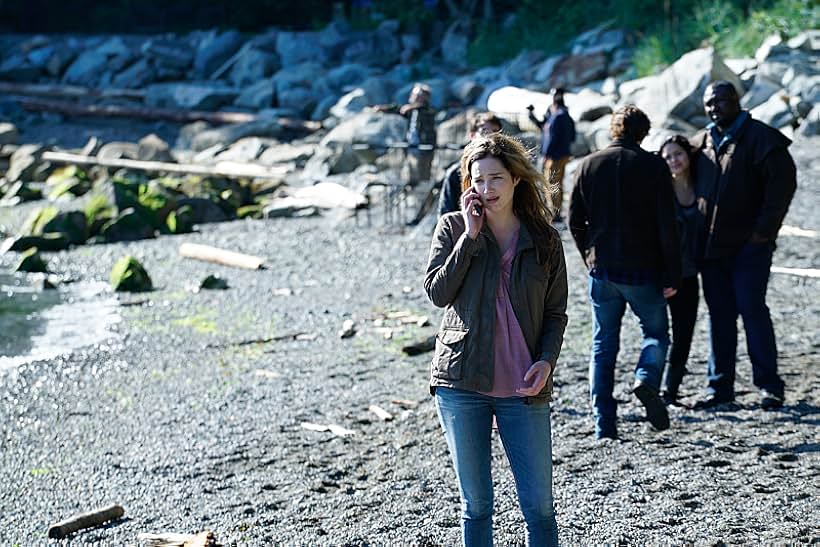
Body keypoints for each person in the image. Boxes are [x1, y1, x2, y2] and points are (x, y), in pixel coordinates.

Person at [424, 132, 568, 545]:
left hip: (525, 386)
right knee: (477, 505)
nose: (486, 190)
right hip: (461, 381)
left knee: (539, 507)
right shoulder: (453, 227)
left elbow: (556, 313)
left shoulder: (544, 238)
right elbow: (437, 292)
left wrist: (546, 361)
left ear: (516, 179)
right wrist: (470, 239)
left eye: (496, 179)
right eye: (478, 180)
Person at [568, 105, 680, 439]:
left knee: (603, 344)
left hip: (602, 269)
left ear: (614, 129)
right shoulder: (653, 166)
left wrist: (589, 254)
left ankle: (605, 424)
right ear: (643, 133)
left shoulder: (589, 165)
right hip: (643, 270)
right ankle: (646, 379)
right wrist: (672, 274)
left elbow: (575, 220)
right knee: (656, 334)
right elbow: (667, 225)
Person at [690, 81, 797, 410]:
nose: (714, 108)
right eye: (709, 103)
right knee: (719, 318)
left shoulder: (762, 139)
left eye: (720, 101)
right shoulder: (704, 141)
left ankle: (769, 386)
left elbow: (783, 186)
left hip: (750, 249)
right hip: (712, 250)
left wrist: (762, 234)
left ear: (736, 100)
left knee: (753, 313)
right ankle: (720, 387)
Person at [659, 135, 704, 404]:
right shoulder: (661, 190)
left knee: (684, 332)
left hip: (692, 273)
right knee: (659, 332)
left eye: (678, 154)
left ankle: (670, 390)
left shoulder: (703, 185)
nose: (674, 160)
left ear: (688, 155)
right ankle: (653, 384)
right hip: (665, 273)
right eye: (667, 157)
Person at [437, 112, 503, 217]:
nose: (490, 137)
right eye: (485, 132)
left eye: (495, 132)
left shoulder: (508, 169)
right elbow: (446, 216)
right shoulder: (456, 174)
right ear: (472, 135)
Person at [527, 87, 576, 222]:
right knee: (553, 183)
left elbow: (554, 136)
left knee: (552, 183)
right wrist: (531, 115)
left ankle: (554, 213)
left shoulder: (560, 115)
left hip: (555, 156)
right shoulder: (556, 113)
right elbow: (544, 127)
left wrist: (547, 154)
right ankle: (554, 211)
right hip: (558, 154)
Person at [375, 82, 437, 186]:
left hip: (424, 150)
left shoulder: (426, 111)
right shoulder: (412, 110)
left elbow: (428, 110)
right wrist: (382, 109)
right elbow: (398, 109)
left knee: (424, 179)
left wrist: (415, 106)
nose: (412, 97)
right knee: (411, 176)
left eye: (416, 95)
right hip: (411, 148)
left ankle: (425, 199)